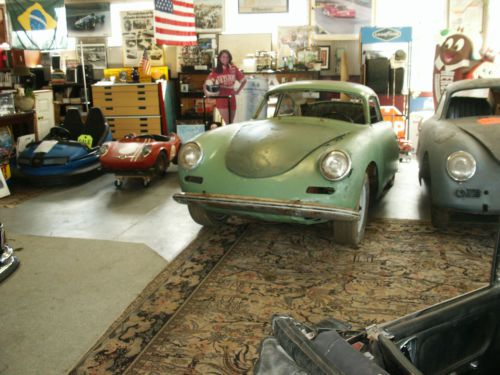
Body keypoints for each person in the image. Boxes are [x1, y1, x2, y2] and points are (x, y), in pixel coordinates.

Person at [204, 50, 247, 124]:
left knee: (231, 122)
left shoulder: (233, 68)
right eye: (223, 57)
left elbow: (244, 80)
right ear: (219, 58)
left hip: (231, 97)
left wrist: (238, 91)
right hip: (221, 98)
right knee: (228, 122)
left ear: (229, 58)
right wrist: (207, 94)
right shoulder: (216, 71)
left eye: (227, 57)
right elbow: (205, 84)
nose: (225, 59)